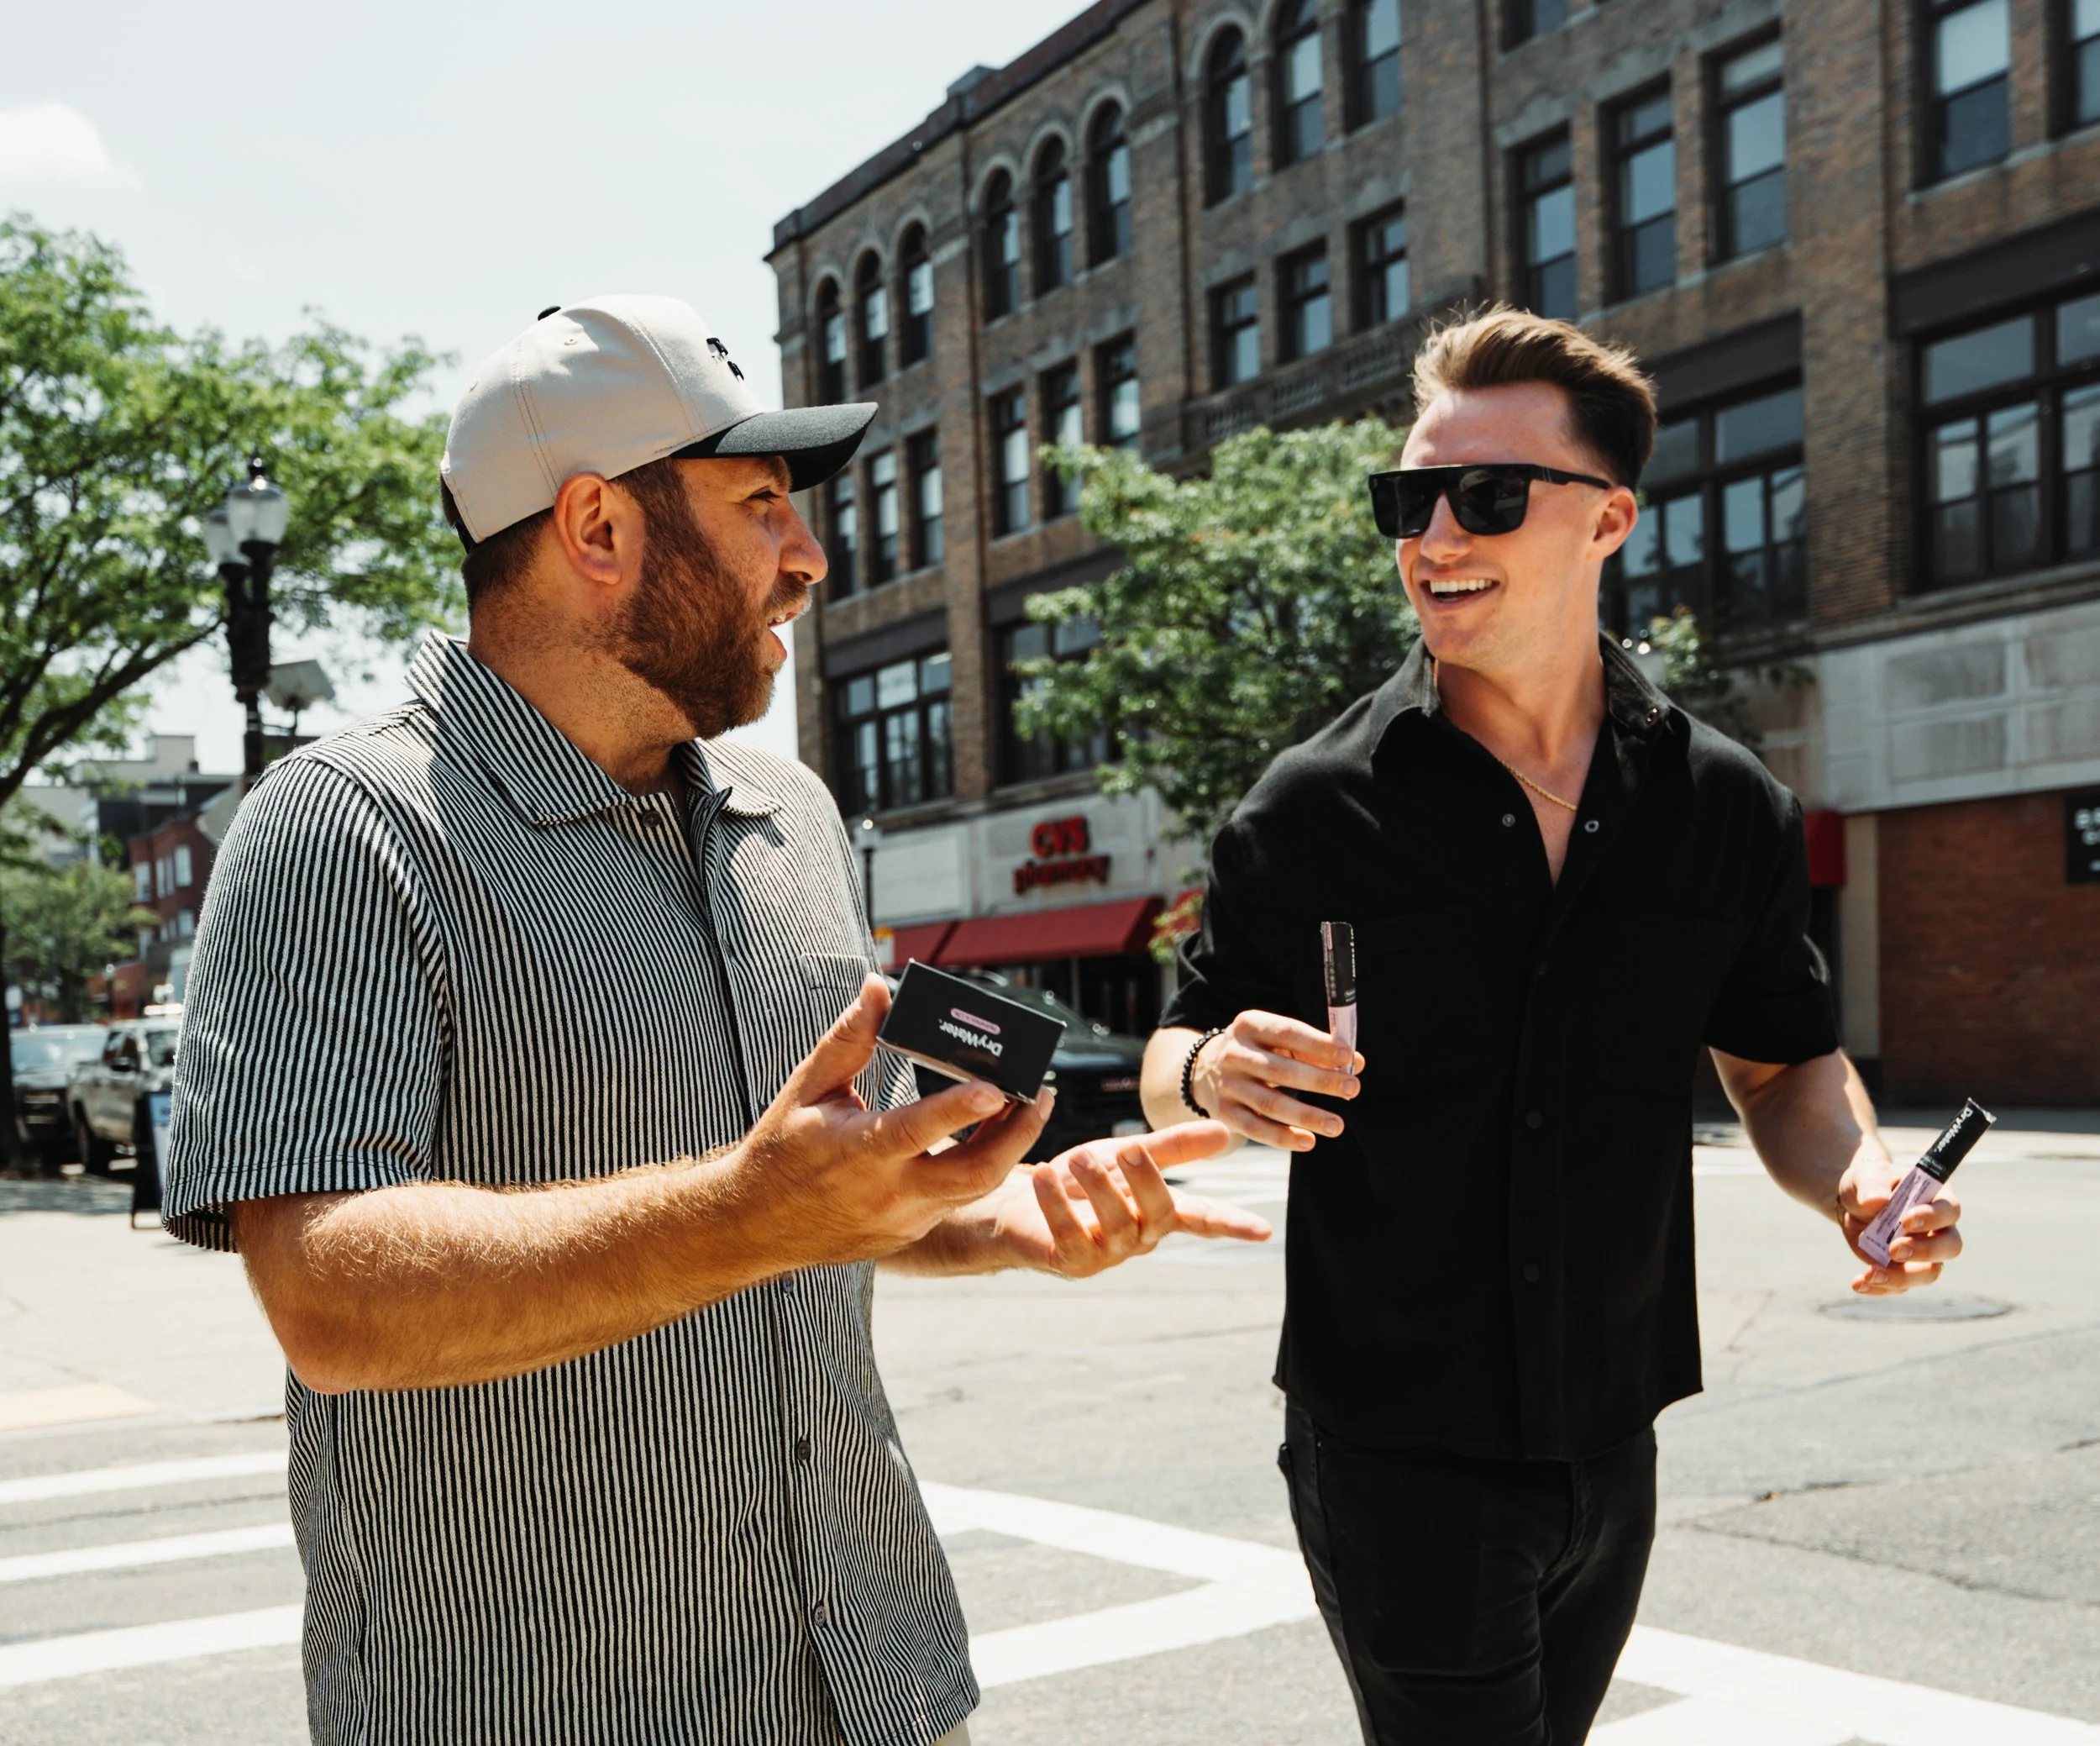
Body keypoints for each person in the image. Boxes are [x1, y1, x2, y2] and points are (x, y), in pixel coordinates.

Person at [163, 294, 1267, 1746]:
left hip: (877, 1678)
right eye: (759, 505)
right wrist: (746, 1209)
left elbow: (807, 1203)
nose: (808, 554)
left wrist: (985, 1218)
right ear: (598, 528)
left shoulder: (793, 818)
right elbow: (327, 1298)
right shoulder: (347, 828)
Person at [1139, 307, 1968, 1746]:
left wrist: (1860, 1176)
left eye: (1488, 496)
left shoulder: (1723, 806)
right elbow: (1168, 1056)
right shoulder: (1309, 806)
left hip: (1617, 1432)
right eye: (1411, 500)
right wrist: (1211, 1068)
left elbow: (1782, 1063)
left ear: (1611, 521)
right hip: (1396, 1440)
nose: (1434, 534)